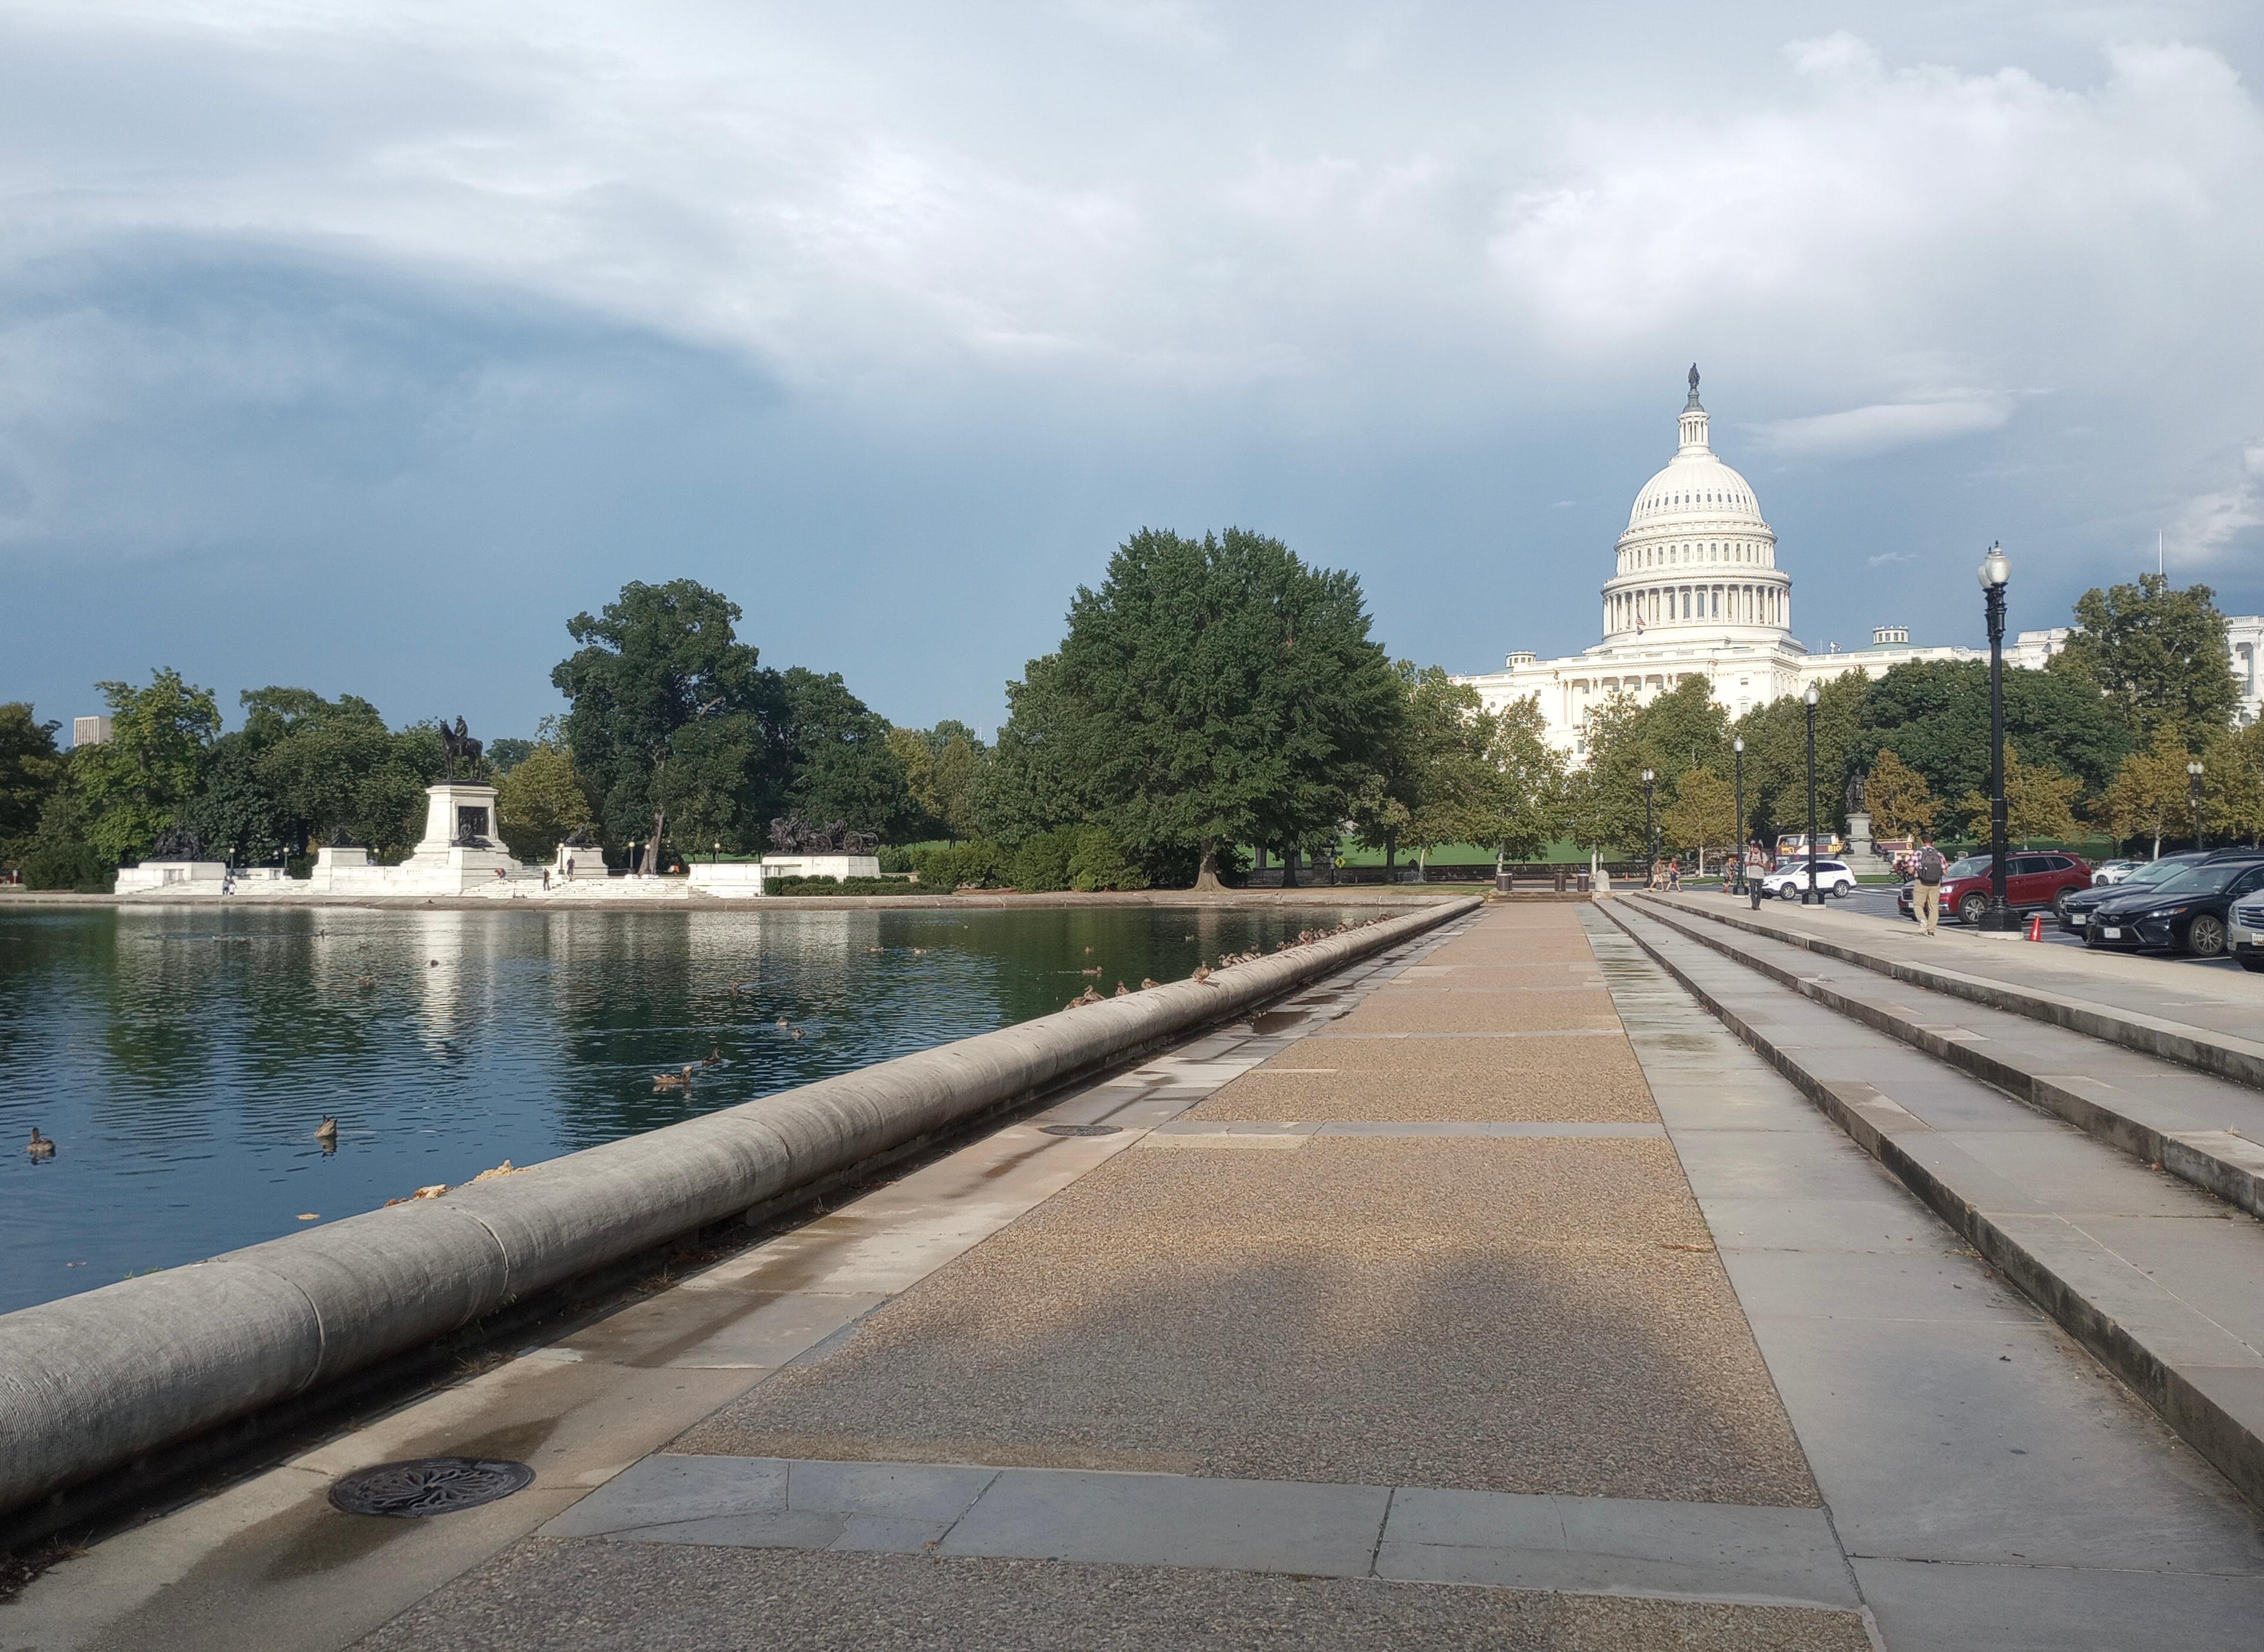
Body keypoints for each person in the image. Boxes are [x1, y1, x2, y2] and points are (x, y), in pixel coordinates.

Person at [1912, 832, 1946, 935]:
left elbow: (1910, 869)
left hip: (1921, 882)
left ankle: (1923, 920)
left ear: (1922, 842)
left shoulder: (1917, 853)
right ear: (1933, 843)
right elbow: (1945, 871)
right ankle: (1931, 930)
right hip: (1935, 883)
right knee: (1934, 906)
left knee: (1918, 904)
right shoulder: (1939, 854)